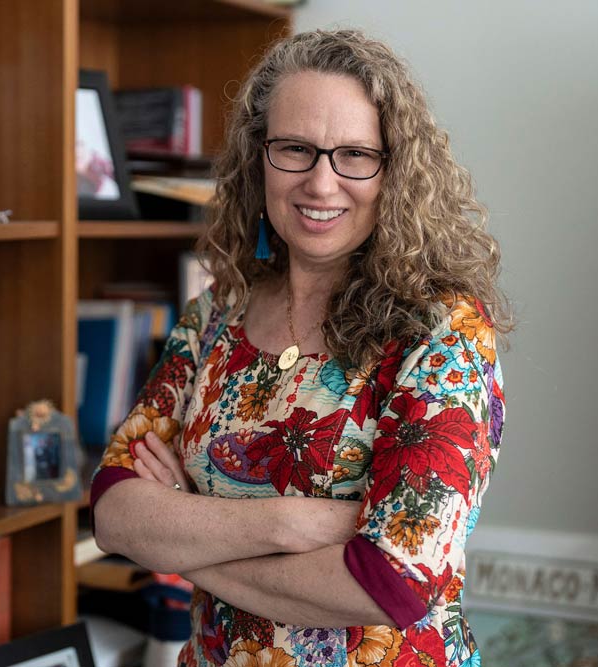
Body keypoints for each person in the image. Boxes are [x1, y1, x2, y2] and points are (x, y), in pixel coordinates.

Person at [91, 29, 512, 667]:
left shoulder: (444, 335)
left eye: (355, 155)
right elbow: (116, 512)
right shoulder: (215, 317)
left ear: (394, 171)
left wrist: (185, 536)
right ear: (258, 159)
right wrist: (287, 525)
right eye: (295, 149)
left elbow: (391, 581)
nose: (321, 182)